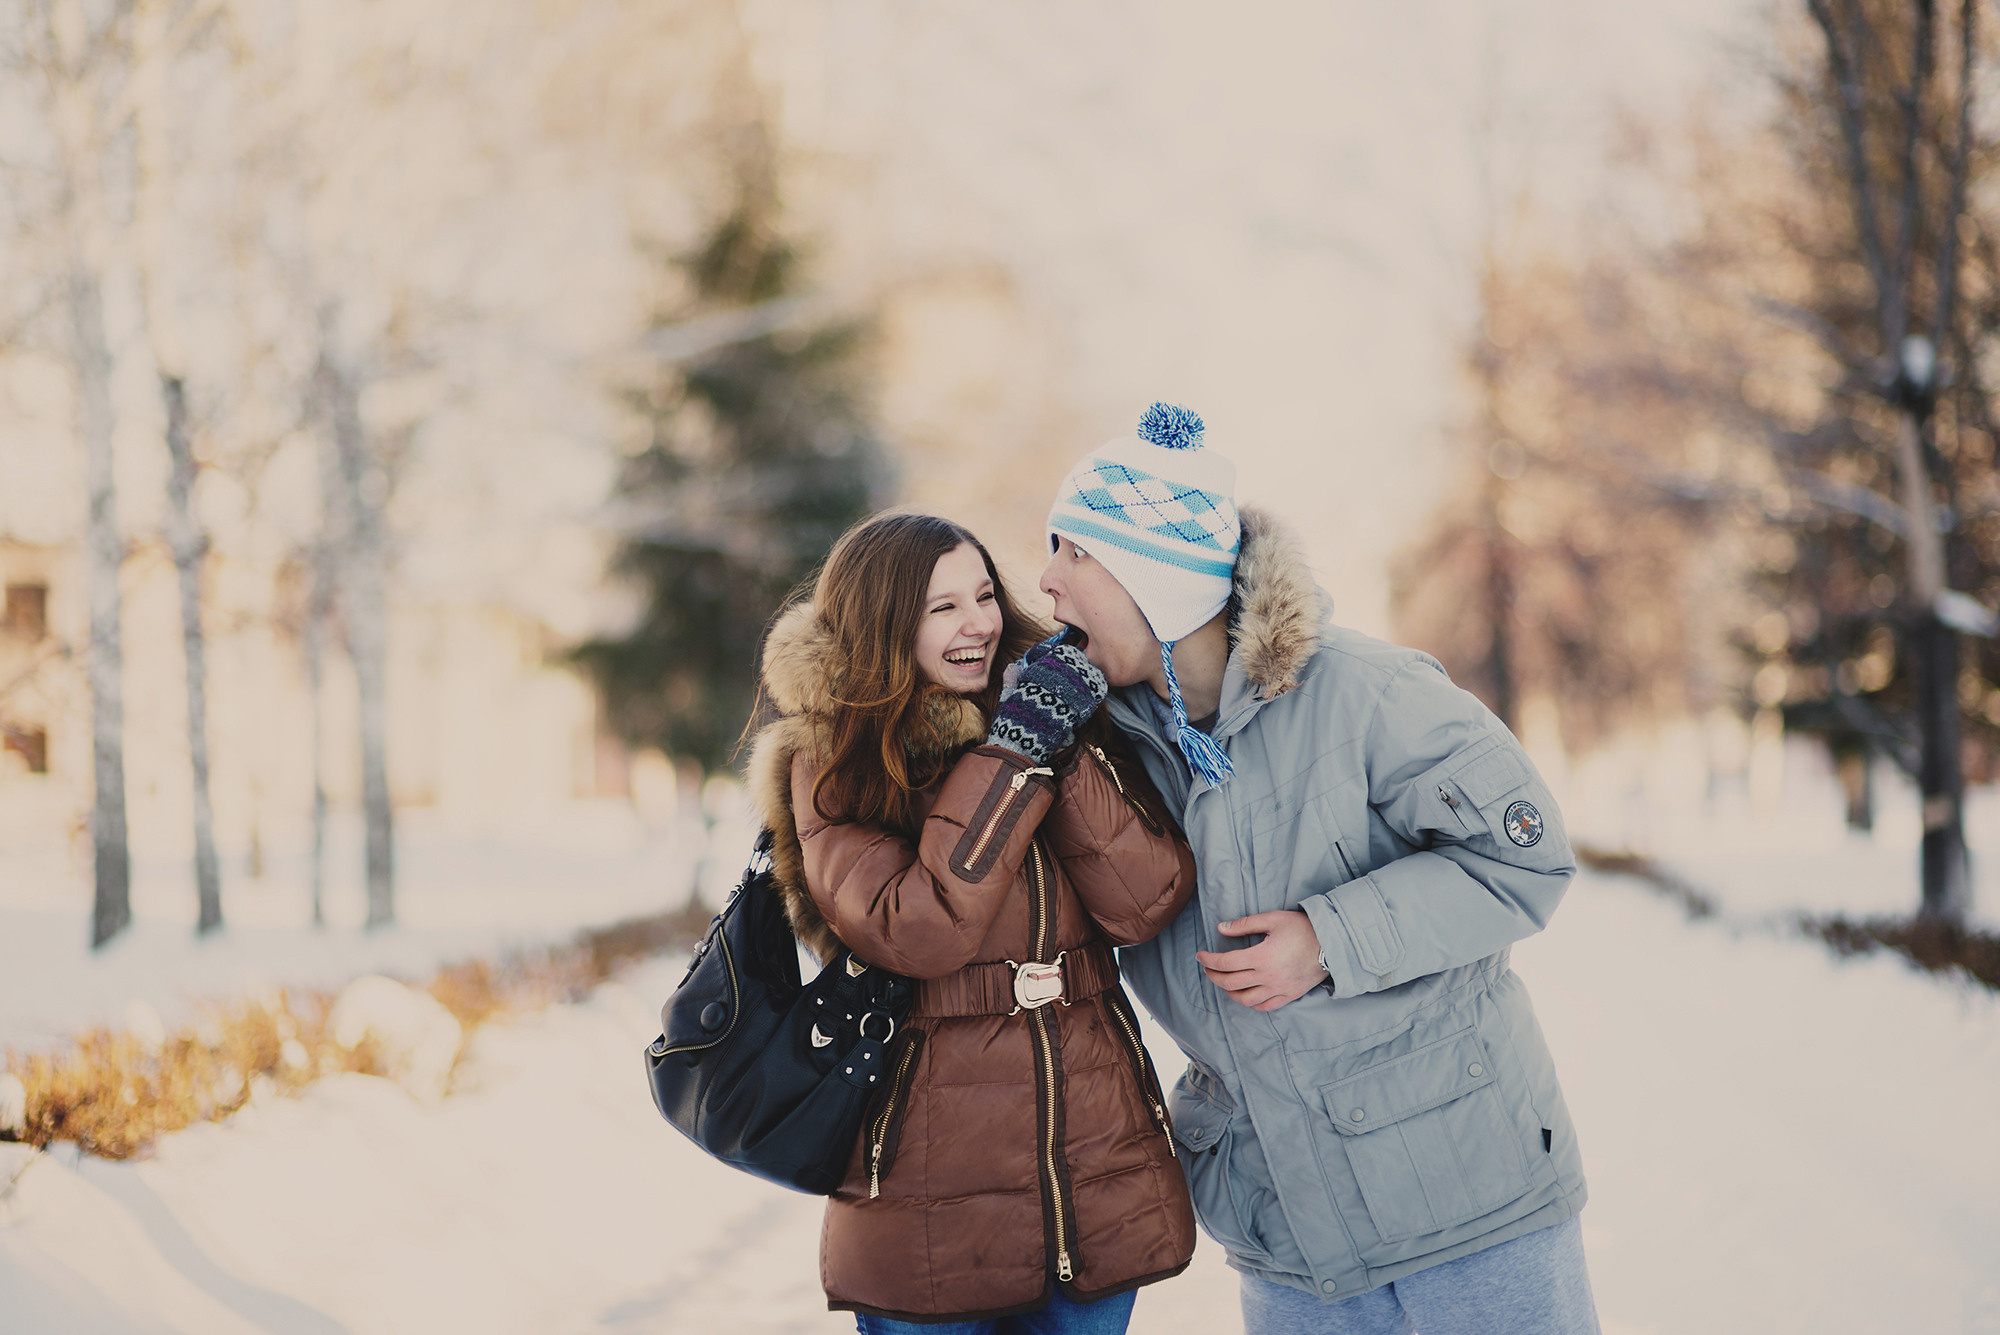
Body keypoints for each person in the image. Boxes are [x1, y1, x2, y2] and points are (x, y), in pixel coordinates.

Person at [1036, 404, 1601, 1335]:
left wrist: (1331, 937)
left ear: (1161, 579)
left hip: (1471, 1205)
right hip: (1293, 1236)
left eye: (1076, 552)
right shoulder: (1102, 759)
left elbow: (1523, 859)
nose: (1047, 581)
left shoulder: (1366, 693)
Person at [744, 510, 1200, 1333]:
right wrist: (1013, 758)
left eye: (985, 594)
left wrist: (1055, 743)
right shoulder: (835, 762)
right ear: (884, 625)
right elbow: (918, 929)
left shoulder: (1052, 709)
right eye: (941, 607)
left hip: (1088, 1184)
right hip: (924, 1209)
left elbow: (1145, 901)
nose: (979, 623)